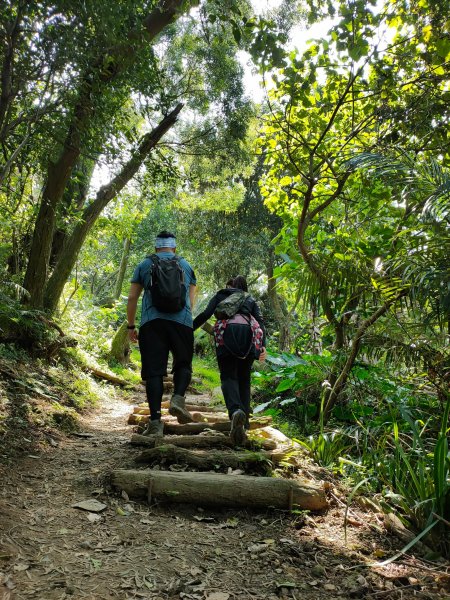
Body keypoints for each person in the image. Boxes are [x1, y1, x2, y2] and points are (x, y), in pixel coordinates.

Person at [127, 231, 196, 436]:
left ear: (156, 247)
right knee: (183, 363)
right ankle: (177, 398)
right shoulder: (186, 266)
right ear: (174, 247)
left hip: (152, 322)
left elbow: (132, 298)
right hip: (182, 323)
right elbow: (191, 302)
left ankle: (156, 422)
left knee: (154, 372)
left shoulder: (144, 265)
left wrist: (131, 327)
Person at [193, 275, 267, 446]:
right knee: (244, 379)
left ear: (230, 286)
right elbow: (260, 323)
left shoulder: (222, 294)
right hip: (249, 337)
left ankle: (235, 412)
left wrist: (189, 328)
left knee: (228, 376)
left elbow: (205, 314)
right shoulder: (249, 298)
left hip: (228, 334)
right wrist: (262, 346)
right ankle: (245, 423)